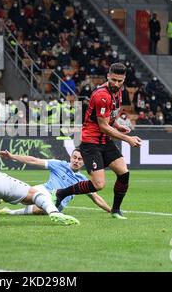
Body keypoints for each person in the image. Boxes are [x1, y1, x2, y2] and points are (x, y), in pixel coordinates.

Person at [54, 63, 142, 220]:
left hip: (104, 140)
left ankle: (115, 210)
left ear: (124, 80)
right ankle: (62, 193)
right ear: (108, 76)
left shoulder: (119, 92)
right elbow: (103, 126)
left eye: (119, 81)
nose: (116, 84)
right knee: (98, 185)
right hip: (91, 142)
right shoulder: (102, 95)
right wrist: (128, 139)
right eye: (113, 79)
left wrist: (118, 125)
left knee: (124, 173)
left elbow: (108, 119)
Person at [0, 148, 111, 216]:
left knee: (41, 209)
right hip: (44, 190)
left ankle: (9, 212)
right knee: (26, 197)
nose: (76, 161)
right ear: (70, 157)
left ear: (84, 162)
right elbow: (34, 161)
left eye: (80, 159)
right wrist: (12, 156)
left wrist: (111, 210)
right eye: (74, 157)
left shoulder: (82, 180)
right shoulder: (59, 165)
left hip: (57, 204)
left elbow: (96, 197)